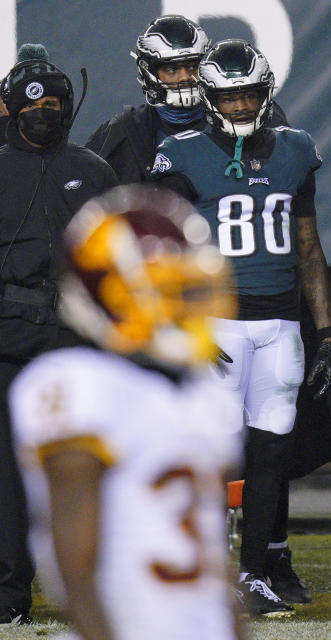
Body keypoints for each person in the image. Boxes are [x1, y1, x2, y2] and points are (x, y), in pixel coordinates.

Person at [150, 39, 331, 617]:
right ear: (210, 97)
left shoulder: (295, 150)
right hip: (217, 326)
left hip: (280, 325)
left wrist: (326, 331)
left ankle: (253, 573)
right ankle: (199, 570)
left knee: (270, 454)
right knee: (210, 454)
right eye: (229, 97)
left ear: (266, 92)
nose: (238, 106)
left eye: (249, 94)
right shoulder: (179, 153)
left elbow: (308, 248)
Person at [10, 186, 243, 640]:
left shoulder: (201, 395)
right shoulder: (77, 384)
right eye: (167, 291)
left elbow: (214, 567)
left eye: (188, 288)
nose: (186, 306)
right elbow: (75, 564)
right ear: (113, 295)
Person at [0, 49, 118, 625]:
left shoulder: (94, 171)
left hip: (77, 346)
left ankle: (90, 595)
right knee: (5, 480)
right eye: (33, 99)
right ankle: (8, 598)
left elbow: (116, 266)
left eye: (54, 100)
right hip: (6, 344)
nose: (44, 108)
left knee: (82, 474)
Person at [86, 15, 290, 185]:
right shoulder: (126, 131)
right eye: (172, 69)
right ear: (149, 72)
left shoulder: (249, 114)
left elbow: (293, 179)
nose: (185, 77)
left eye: (192, 66)